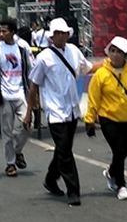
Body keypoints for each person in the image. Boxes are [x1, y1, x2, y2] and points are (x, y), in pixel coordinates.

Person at [22, 17, 93, 206]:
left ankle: (51, 179)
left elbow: (88, 68)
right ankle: (73, 190)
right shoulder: (44, 58)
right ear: (52, 37)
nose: (61, 36)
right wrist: (30, 112)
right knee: (65, 152)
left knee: (64, 149)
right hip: (54, 111)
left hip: (71, 108)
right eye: (57, 34)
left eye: (64, 33)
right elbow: (34, 85)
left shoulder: (74, 51)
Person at [83, 35, 127, 201]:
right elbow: (93, 98)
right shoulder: (101, 75)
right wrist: (89, 120)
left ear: (125, 55)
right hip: (108, 118)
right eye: (112, 51)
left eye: (119, 52)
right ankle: (121, 185)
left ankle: (111, 172)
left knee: (123, 152)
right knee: (118, 150)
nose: (115, 55)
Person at [0, 17, 34, 177]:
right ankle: (10, 164)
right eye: (0, 31)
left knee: (28, 124)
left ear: (13, 32)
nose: (1, 34)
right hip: (4, 96)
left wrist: (33, 92)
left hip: (20, 94)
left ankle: (17, 150)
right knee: (6, 132)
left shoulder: (22, 48)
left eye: (4, 31)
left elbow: (30, 70)